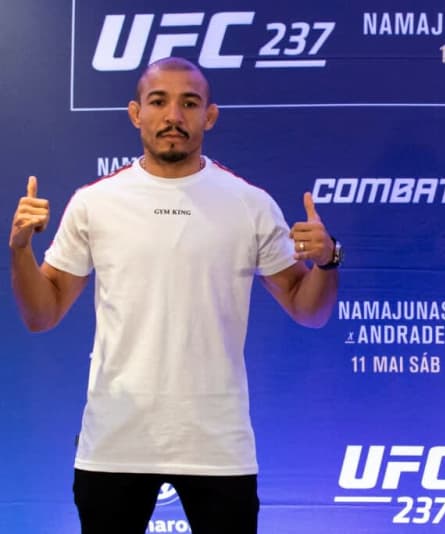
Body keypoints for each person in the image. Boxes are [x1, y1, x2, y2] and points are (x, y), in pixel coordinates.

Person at [9, 57, 342, 533]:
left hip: (217, 446)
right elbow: (42, 314)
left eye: (189, 103)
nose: (172, 116)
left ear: (210, 115)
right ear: (135, 113)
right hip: (116, 442)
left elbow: (308, 310)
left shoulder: (249, 203)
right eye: (158, 101)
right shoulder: (95, 202)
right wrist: (20, 250)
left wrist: (328, 261)